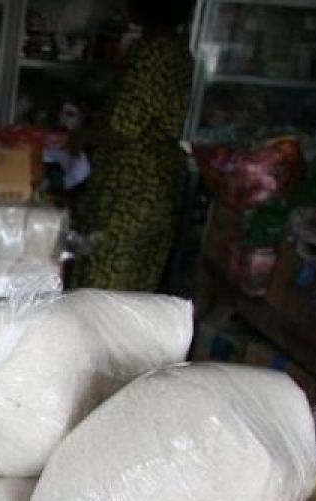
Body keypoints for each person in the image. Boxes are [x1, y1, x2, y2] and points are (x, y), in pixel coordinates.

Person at [68, 0, 194, 292]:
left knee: (103, 283)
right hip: (160, 184)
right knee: (135, 289)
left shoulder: (151, 52)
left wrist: (82, 136)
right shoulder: (179, 51)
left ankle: (93, 338)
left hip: (131, 189)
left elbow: (122, 129)